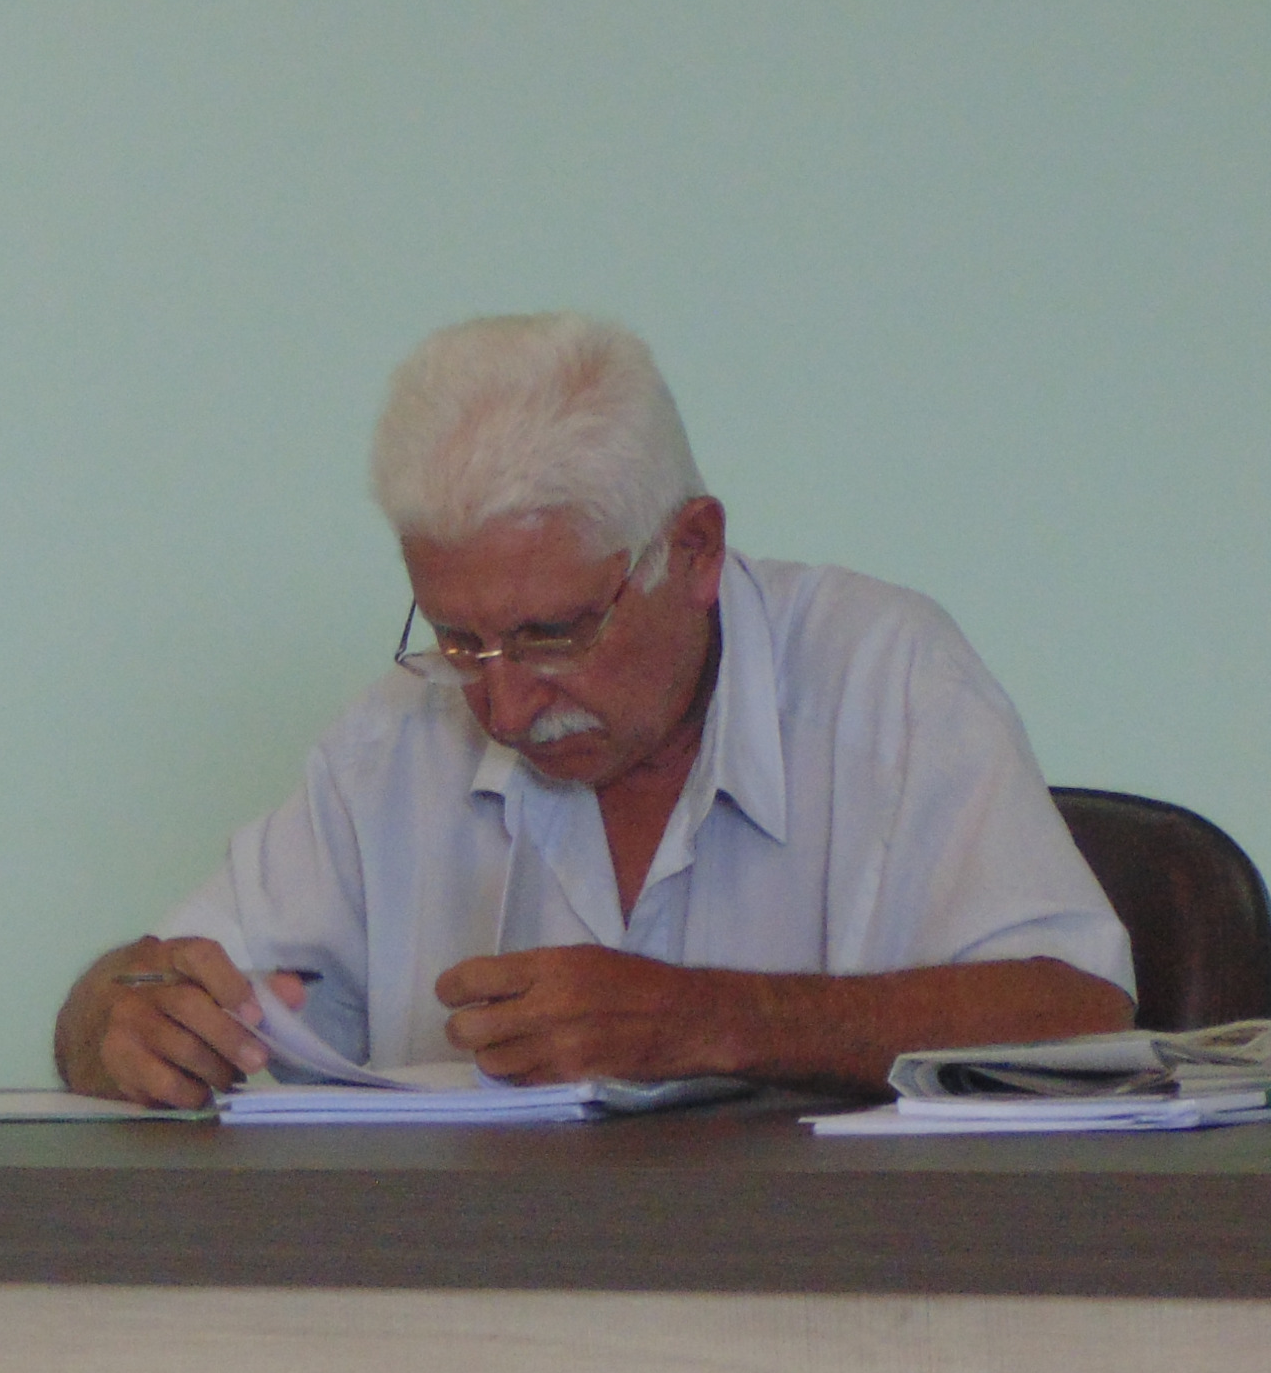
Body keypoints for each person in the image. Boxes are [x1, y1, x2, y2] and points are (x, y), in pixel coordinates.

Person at [55, 313, 1132, 1107]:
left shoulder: (886, 680)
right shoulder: (396, 739)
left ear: (693, 552)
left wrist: (712, 1020)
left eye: (553, 635)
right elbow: (134, 993)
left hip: (837, 1299)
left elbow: (1078, 1014)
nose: (504, 704)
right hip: (483, 1308)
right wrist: (122, 1019)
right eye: (459, 640)